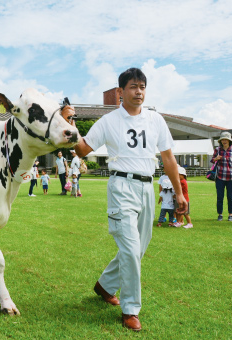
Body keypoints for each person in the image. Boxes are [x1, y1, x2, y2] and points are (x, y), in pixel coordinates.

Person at [75, 67, 187, 331]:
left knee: (138, 248)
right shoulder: (108, 121)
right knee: (129, 247)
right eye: (134, 87)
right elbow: (81, 149)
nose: (139, 92)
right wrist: (69, 127)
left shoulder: (155, 120)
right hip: (121, 186)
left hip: (148, 187)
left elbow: (168, 158)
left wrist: (179, 192)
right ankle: (131, 309)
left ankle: (104, 286)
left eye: (143, 87)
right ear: (120, 92)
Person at [211, 131, 232, 222]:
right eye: (222, 139)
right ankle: (220, 214)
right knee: (220, 197)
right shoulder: (217, 150)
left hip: (231, 177)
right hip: (220, 176)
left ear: (229, 141)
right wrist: (216, 158)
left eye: (226, 139)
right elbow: (212, 160)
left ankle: (230, 214)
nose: (224, 141)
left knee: (230, 197)